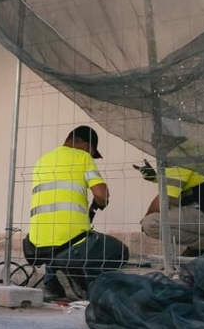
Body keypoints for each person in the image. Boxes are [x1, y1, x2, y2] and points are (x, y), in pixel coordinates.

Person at [24, 125, 128, 298]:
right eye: (91, 151)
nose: (90, 154)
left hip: (37, 246)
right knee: (119, 251)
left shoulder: (42, 160)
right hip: (70, 244)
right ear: (85, 145)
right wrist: (100, 201)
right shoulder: (83, 157)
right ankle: (81, 282)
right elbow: (101, 195)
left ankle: (52, 284)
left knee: (59, 245)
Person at [138, 162, 204, 258]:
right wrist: (156, 178)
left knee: (150, 223)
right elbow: (189, 179)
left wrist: (144, 221)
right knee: (172, 206)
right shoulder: (192, 152)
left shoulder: (178, 160)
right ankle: (203, 247)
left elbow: (163, 201)